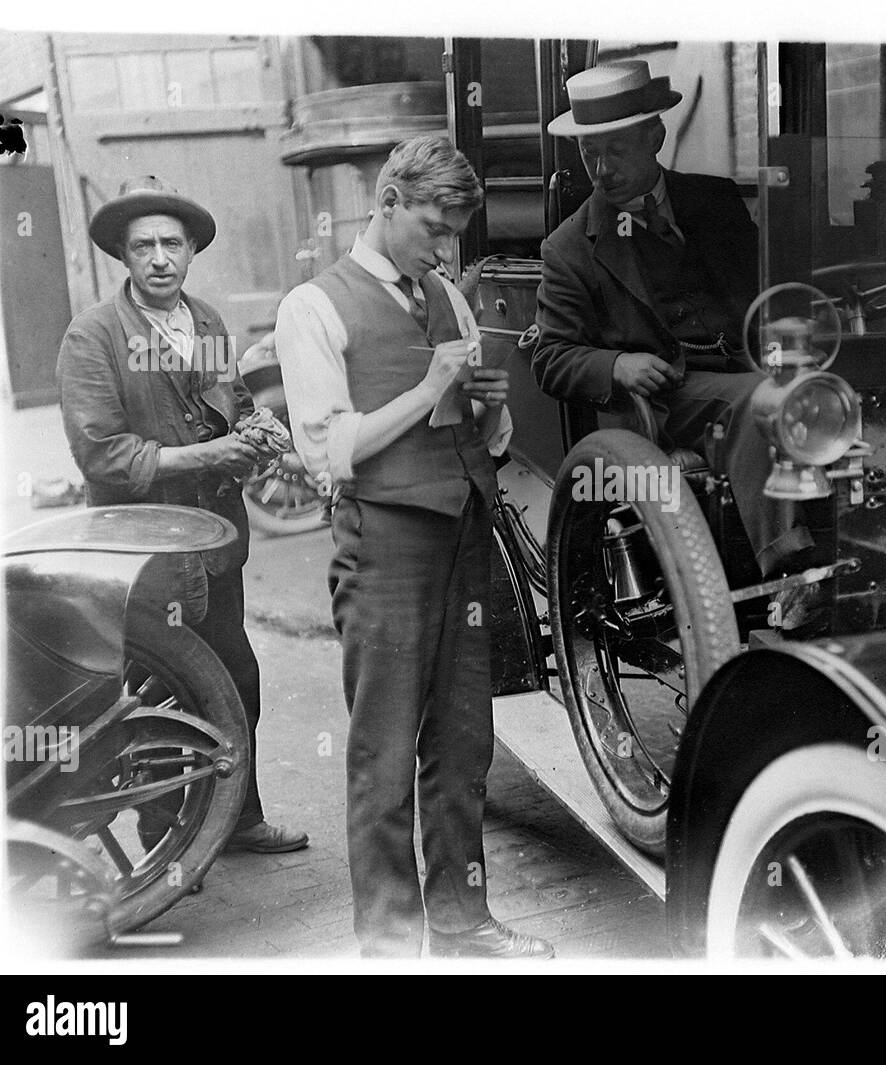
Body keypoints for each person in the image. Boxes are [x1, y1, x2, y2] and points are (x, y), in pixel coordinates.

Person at [273, 136, 554, 959]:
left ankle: (464, 923)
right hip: (384, 543)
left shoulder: (449, 299)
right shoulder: (313, 307)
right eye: (435, 225)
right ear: (388, 201)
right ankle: (392, 943)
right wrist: (430, 387)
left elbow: (486, 439)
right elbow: (329, 452)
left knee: (465, 741)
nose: (446, 248)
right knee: (385, 750)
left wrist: (488, 407)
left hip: (465, 534)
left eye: (457, 231)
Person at [57, 175, 309, 856]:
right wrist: (213, 452)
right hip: (143, 557)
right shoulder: (93, 338)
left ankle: (238, 818)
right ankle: (170, 838)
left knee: (236, 682)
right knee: (156, 697)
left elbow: (234, 402)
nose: (160, 257)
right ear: (124, 256)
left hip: (217, 548)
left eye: (173, 242)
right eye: (144, 246)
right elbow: (106, 458)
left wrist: (262, 433)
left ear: (193, 248)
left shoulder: (207, 323)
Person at [534, 60, 823, 620]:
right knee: (759, 402)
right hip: (672, 393)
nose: (600, 169)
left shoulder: (714, 202)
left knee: (832, 392)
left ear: (655, 136)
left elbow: (771, 291)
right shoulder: (567, 248)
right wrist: (616, 365)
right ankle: (790, 574)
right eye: (589, 153)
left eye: (615, 149)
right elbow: (550, 358)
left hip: (753, 361)